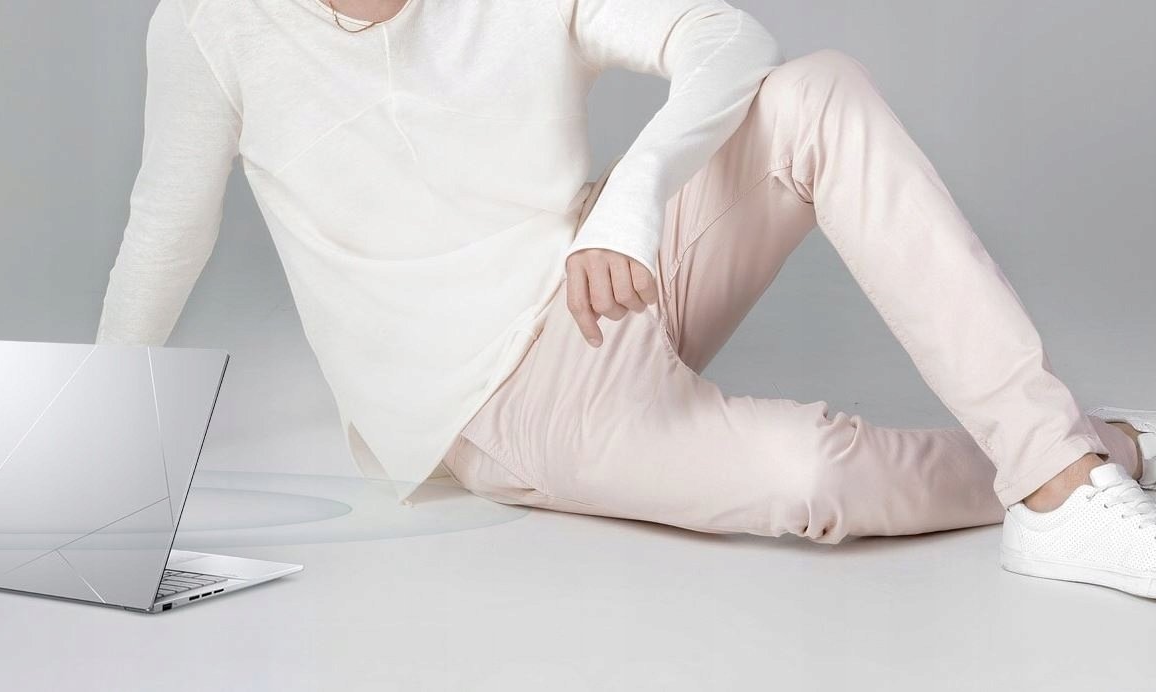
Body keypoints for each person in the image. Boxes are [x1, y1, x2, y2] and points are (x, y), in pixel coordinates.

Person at [96, 0, 1156, 598]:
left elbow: (725, 38)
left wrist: (631, 201)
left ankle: (1057, 482)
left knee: (819, 90)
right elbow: (166, 229)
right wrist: (83, 454)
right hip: (500, 404)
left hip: (600, 274)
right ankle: (1106, 449)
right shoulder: (208, 24)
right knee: (812, 475)